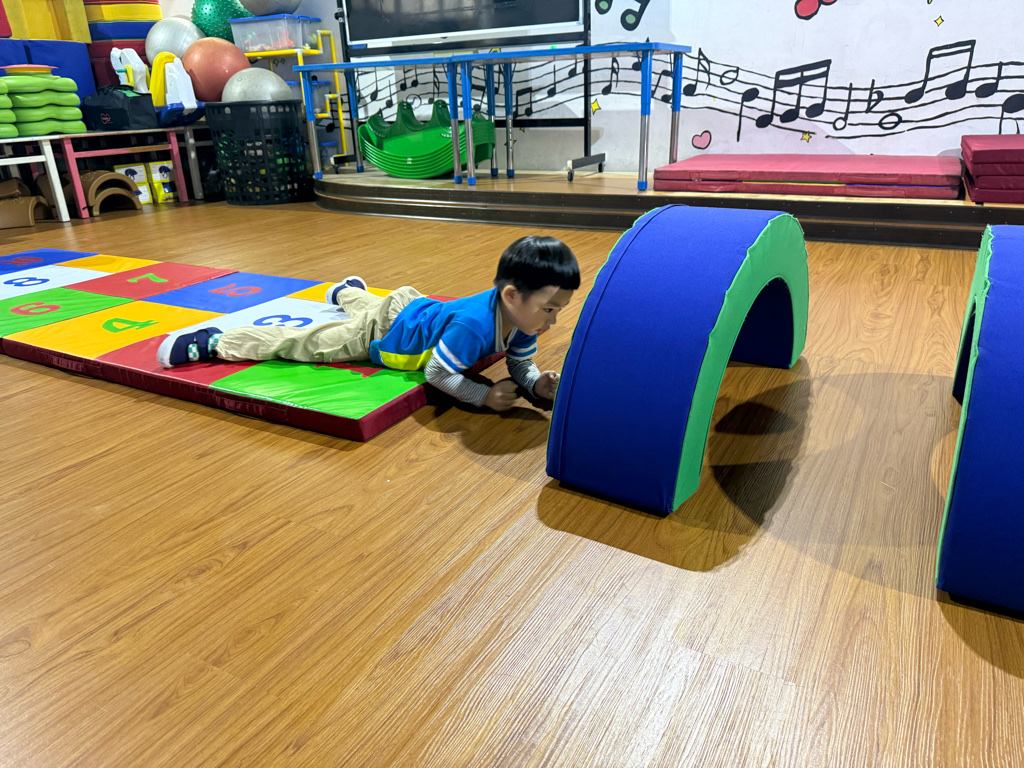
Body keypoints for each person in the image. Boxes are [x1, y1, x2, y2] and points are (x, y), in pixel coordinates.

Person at [157, 235, 580, 411]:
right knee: (306, 343)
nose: (554, 320)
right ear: (511, 296)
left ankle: (346, 292)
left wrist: (533, 382)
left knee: (372, 305)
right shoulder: (474, 325)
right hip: (388, 332)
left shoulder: (523, 322)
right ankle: (216, 341)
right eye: (549, 309)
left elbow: (518, 363)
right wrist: (482, 396)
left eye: (559, 309)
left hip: (410, 307)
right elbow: (436, 373)